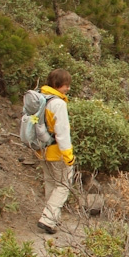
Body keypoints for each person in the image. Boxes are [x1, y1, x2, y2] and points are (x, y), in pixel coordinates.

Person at [36, 69, 75, 235]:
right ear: (58, 84)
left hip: (41, 148)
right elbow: (62, 132)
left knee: (51, 183)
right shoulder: (58, 104)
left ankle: (52, 219)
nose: (68, 88)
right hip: (56, 151)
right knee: (63, 185)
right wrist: (68, 156)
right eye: (66, 85)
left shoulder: (40, 98)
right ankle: (48, 219)